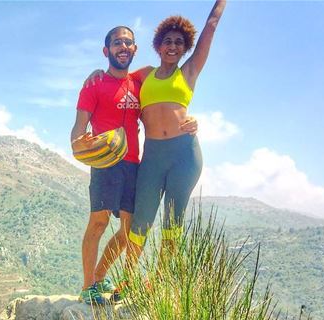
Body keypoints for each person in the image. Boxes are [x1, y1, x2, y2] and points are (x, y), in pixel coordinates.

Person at [85, 1, 226, 283]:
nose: (172, 46)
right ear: (158, 46)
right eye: (167, 41)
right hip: (152, 158)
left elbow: (210, 27)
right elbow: (116, 76)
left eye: (178, 42)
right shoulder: (144, 75)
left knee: (173, 224)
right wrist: (96, 73)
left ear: (185, 48)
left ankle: (156, 284)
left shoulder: (187, 73)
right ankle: (123, 281)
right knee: (139, 223)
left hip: (184, 156)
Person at [71, 26, 197, 305]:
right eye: (117, 43)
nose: (123, 47)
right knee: (99, 222)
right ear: (107, 51)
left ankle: (101, 276)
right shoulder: (94, 85)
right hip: (106, 162)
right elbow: (77, 132)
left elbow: (167, 99)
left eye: (128, 43)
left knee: (129, 230)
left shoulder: (141, 82)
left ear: (135, 50)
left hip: (134, 164)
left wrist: (192, 121)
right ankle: (88, 286)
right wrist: (84, 144)